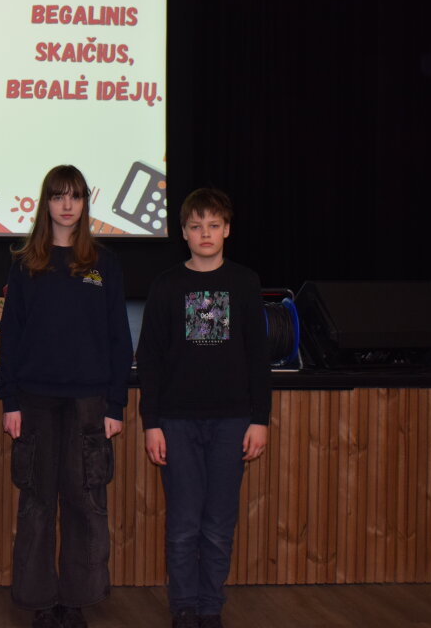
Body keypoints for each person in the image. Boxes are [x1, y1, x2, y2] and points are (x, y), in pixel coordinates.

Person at [0, 165, 133, 628]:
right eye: (59, 196)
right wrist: (10, 401)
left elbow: (119, 337)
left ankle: (76, 599)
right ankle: (39, 600)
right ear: (47, 204)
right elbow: (10, 337)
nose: (67, 205)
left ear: (84, 203)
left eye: (75, 196)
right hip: (34, 400)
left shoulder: (104, 263)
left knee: (85, 502)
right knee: (36, 503)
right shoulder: (25, 263)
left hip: (89, 403)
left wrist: (116, 404)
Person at [136, 188, 270, 628]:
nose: (205, 233)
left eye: (213, 225)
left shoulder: (245, 282)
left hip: (233, 422)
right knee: (183, 524)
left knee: (217, 524)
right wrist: (151, 423)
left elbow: (258, 357)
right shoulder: (166, 285)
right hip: (176, 422)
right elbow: (149, 358)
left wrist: (260, 419)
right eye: (196, 226)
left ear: (227, 229)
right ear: (184, 233)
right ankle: (184, 607)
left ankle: (210, 607)